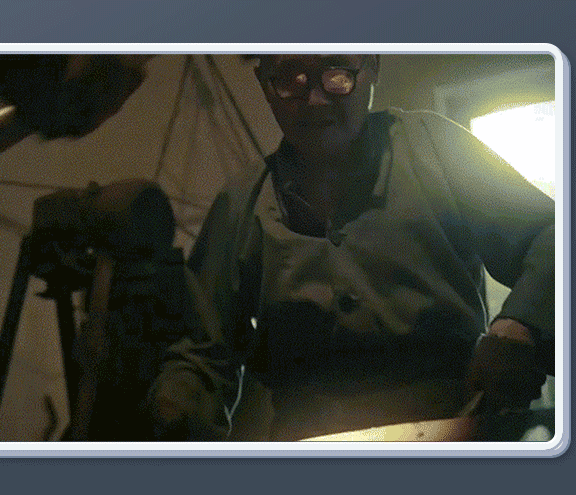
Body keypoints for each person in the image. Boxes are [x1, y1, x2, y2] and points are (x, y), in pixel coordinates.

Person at [146, 54, 555, 441]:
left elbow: (555, 234)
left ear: (372, 65)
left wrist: (521, 323)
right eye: (290, 79)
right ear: (264, 84)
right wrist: (177, 406)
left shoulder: (435, 147)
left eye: (337, 73)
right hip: (310, 447)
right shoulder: (241, 202)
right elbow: (200, 351)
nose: (315, 99)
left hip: (456, 427)